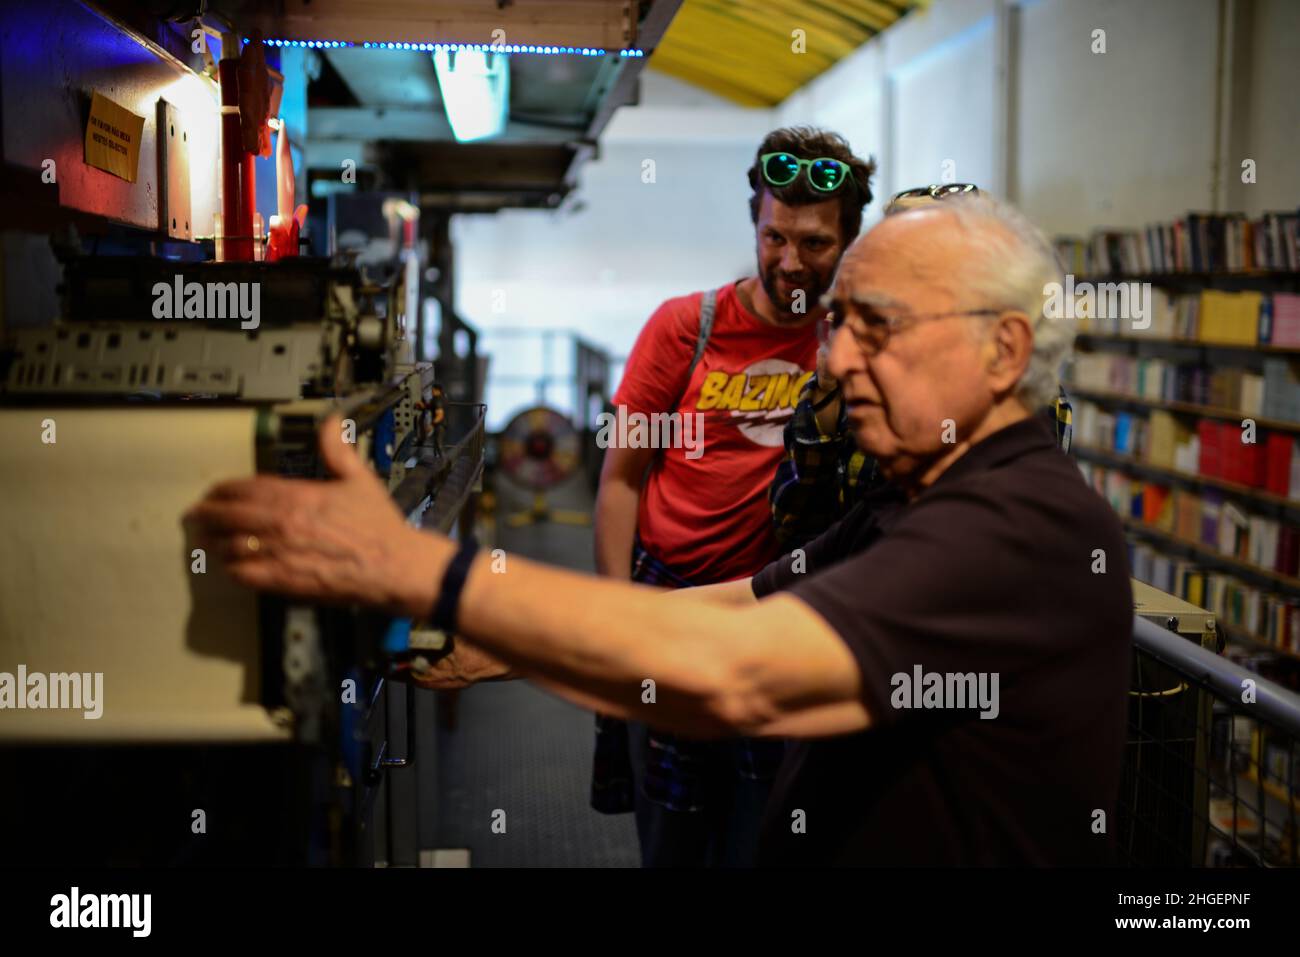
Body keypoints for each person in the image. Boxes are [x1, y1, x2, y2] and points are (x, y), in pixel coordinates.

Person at [188, 193, 1134, 866]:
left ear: (1004, 349)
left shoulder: (1020, 528)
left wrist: (423, 569)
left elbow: (737, 673)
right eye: (837, 323)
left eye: (874, 326)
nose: (837, 357)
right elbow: (727, 609)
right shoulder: (905, 499)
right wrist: (501, 650)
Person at [588, 126, 875, 866]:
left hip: (782, 622)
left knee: (767, 832)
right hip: (669, 610)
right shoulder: (685, 327)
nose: (789, 260)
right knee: (672, 833)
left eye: (814, 243)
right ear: (755, 221)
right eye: (774, 235)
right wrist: (617, 619)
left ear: (848, 239)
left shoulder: (854, 345)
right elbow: (620, 481)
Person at [769, 183, 1071, 551]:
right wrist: (828, 401)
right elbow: (793, 526)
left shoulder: (1020, 391)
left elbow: (973, 543)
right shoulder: (854, 372)